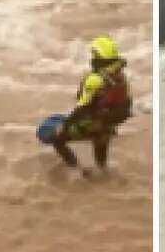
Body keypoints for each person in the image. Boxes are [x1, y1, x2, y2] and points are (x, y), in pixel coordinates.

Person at [48, 36, 133, 174]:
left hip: (93, 122)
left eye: (93, 55)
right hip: (108, 125)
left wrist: (64, 127)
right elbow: (128, 103)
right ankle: (104, 176)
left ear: (98, 58)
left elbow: (82, 108)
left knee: (56, 139)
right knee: (101, 158)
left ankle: (77, 171)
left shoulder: (95, 79)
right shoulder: (120, 77)